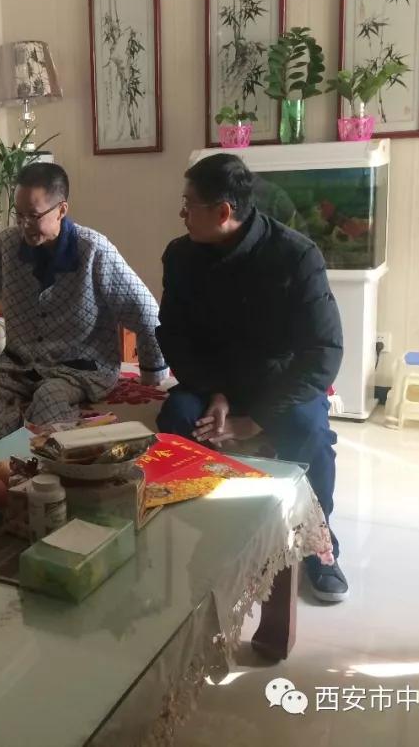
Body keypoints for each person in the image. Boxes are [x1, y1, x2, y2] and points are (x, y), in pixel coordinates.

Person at [155, 153, 348, 602]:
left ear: (223, 211)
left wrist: (257, 418)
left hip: (280, 384)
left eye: (188, 205)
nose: (182, 214)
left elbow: (324, 352)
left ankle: (319, 545)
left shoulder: (296, 255)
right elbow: (174, 335)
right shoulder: (181, 256)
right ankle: (207, 527)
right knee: (177, 420)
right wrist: (215, 392)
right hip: (211, 380)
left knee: (310, 434)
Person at [0, 162, 167, 448]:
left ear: (61, 210)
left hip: (80, 367)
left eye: (34, 216)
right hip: (20, 363)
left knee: (50, 396)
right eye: (19, 215)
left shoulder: (94, 250)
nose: (24, 224)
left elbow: (144, 310)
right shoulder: (6, 246)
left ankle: (42, 467)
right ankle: (3, 463)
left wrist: (152, 371)